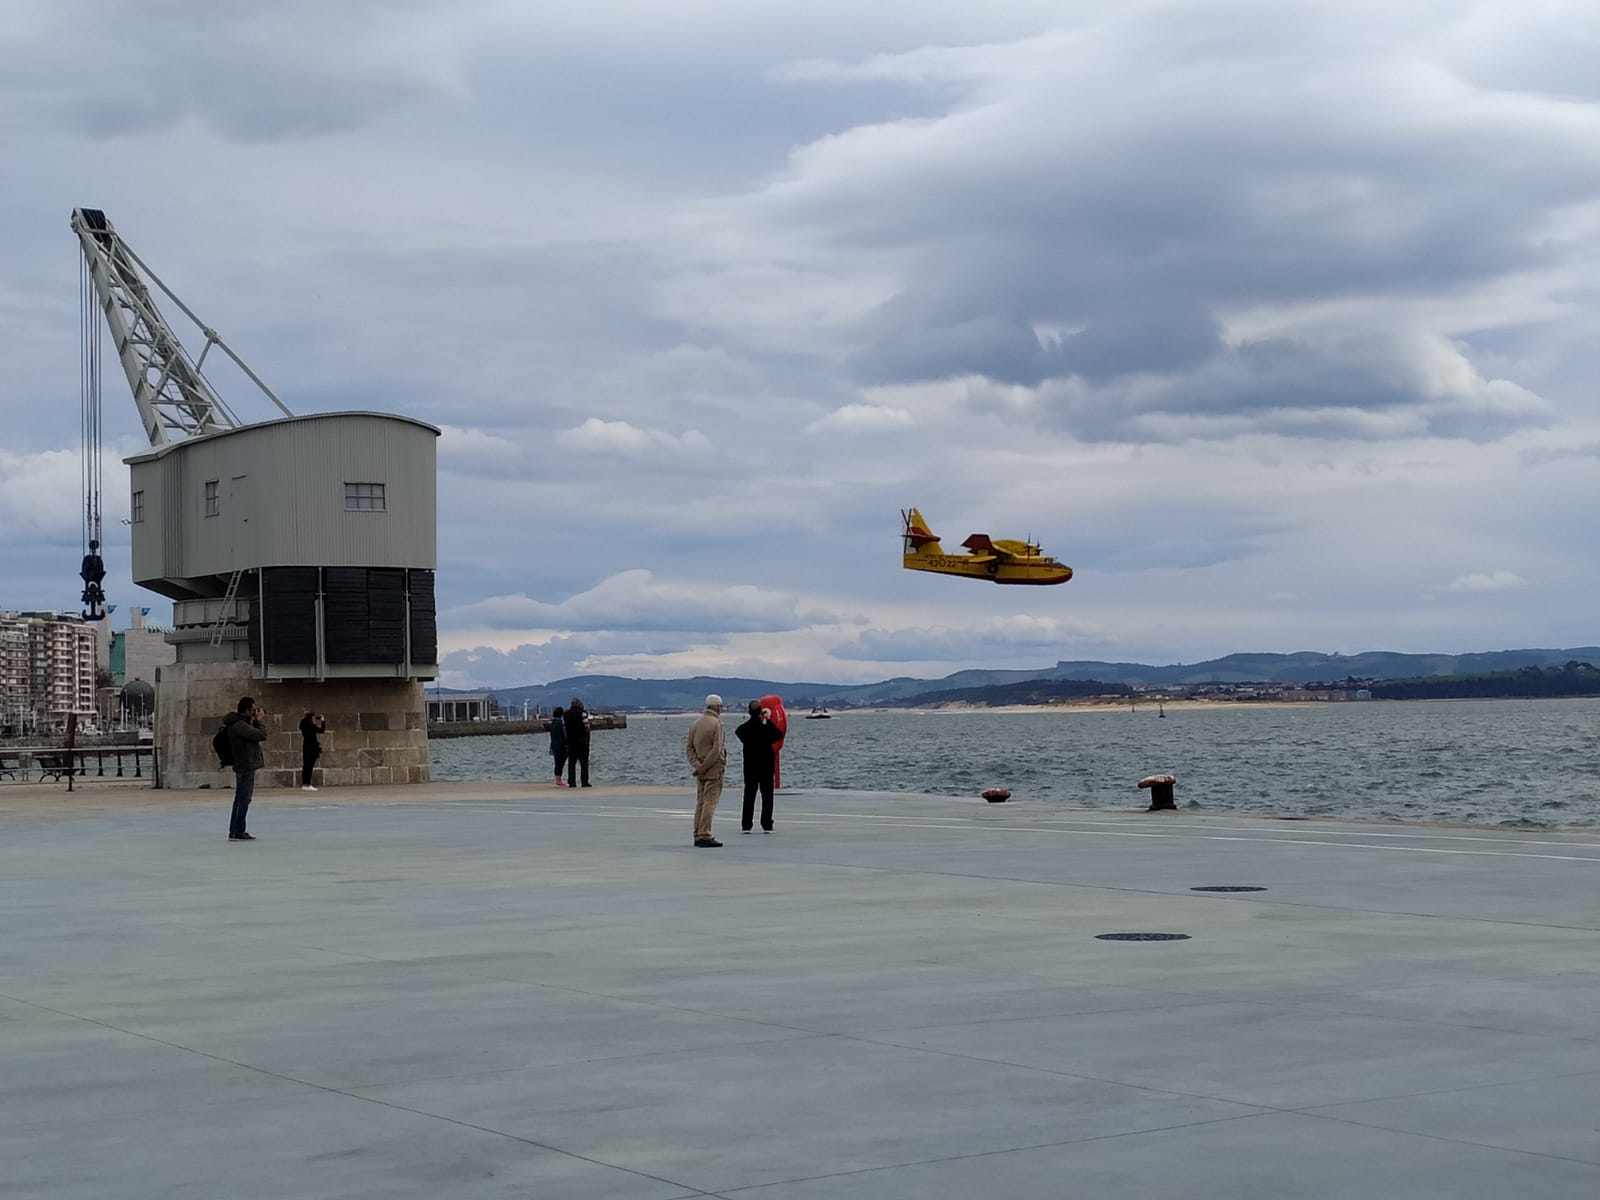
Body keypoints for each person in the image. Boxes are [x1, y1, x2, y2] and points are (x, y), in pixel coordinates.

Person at [735, 700, 784, 834]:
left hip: (750, 767)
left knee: (749, 796)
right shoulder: (765, 728)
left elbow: (738, 731)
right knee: (767, 796)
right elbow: (778, 734)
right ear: (760, 712)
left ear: (749, 712)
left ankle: (746, 825)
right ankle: (767, 824)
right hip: (766, 766)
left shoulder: (745, 729)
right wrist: (767, 719)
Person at [224, 696, 268, 841]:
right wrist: (259, 721)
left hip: (242, 764)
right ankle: (239, 830)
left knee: (239, 798)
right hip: (246, 764)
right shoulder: (240, 726)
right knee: (244, 798)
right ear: (247, 710)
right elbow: (261, 735)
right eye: (253, 710)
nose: (254, 712)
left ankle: (234, 830)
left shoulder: (237, 724)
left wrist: (254, 721)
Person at [686, 693, 726, 847]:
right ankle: (705, 834)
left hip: (700, 769)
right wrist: (705, 767)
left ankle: (697, 832)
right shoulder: (717, 724)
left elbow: (689, 748)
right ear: (717, 707)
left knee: (700, 802)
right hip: (713, 768)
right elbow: (716, 750)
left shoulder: (695, 724)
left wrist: (697, 766)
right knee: (710, 801)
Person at [563, 698, 591, 787]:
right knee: (584, 763)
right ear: (580, 705)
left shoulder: (566, 714)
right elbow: (587, 726)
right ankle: (584, 782)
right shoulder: (583, 713)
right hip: (582, 741)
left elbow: (564, 728)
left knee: (571, 763)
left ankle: (571, 782)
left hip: (571, 742)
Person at [298, 710, 325, 791]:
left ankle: (304, 783)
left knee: (306, 766)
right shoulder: (311, 726)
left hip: (306, 746)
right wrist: (322, 721)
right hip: (312, 747)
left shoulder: (303, 724)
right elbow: (322, 730)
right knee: (309, 766)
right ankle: (308, 784)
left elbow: (302, 723)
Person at [548, 705, 569, 787]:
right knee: (561, 763)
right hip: (561, 746)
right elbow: (563, 735)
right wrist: (566, 744)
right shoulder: (560, 724)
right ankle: (559, 780)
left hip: (554, 745)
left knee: (557, 763)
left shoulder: (553, 723)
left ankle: (557, 779)